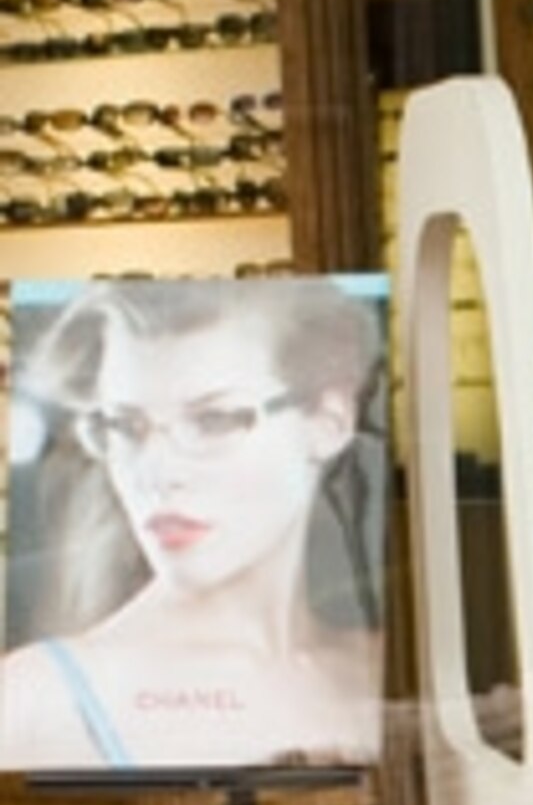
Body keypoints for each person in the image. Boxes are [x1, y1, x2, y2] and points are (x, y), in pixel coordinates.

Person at [0, 274, 387, 774]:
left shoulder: (383, 671)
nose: (157, 476)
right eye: (125, 426)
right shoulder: (36, 701)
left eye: (214, 421)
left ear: (328, 420)